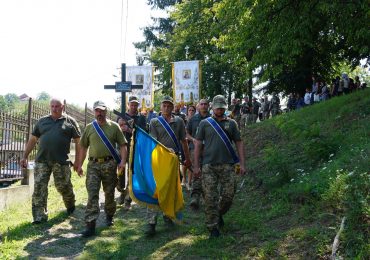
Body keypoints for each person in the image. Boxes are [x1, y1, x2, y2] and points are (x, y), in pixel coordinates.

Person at [20, 98, 81, 224]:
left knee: (63, 186)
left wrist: (78, 162)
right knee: (39, 188)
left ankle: (70, 204)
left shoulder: (70, 122)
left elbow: (78, 142)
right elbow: (32, 140)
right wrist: (25, 156)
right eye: (52, 106)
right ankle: (39, 217)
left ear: (62, 106)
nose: (54, 108)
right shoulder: (42, 121)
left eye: (57, 106)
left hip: (61, 161)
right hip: (42, 160)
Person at [193, 95, 246, 239]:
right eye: (217, 107)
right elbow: (197, 145)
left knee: (228, 196)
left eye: (222, 107)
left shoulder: (232, 123)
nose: (220, 109)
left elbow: (239, 143)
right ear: (213, 107)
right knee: (210, 197)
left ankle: (218, 214)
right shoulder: (205, 123)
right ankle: (213, 228)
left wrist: (242, 163)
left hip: (227, 165)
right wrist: (196, 166)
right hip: (208, 165)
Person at [77, 101, 127, 237]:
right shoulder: (89, 128)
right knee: (92, 194)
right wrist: (79, 164)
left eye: (102, 111)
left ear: (106, 111)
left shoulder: (114, 126)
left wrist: (122, 161)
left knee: (109, 193)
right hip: (93, 165)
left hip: (109, 164)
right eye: (97, 111)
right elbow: (83, 147)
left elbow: (123, 145)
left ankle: (109, 216)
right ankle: (90, 225)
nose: (100, 113)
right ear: (94, 111)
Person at [145, 96, 191, 236]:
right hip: (159, 161)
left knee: (171, 190)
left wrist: (187, 159)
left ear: (173, 107)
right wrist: (165, 150)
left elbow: (184, 141)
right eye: (164, 105)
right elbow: (153, 141)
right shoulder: (154, 122)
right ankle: (151, 223)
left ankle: (168, 215)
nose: (166, 108)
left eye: (169, 105)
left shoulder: (179, 121)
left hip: (174, 160)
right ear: (161, 107)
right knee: (156, 190)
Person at [117, 96, 147, 209]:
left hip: (135, 148)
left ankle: (128, 199)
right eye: (132, 104)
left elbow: (144, 132)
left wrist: (129, 130)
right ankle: (122, 192)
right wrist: (120, 125)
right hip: (121, 148)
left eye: (136, 105)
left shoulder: (142, 118)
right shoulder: (120, 116)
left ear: (138, 105)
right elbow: (115, 129)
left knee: (131, 173)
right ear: (128, 105)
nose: (134, 107)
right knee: (120, 172)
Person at [186, 99, 211, 210]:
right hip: (195, 149)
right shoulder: (193, 119)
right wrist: (193, 140)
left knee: (208, 172)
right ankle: (195, 197)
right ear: (198, 106)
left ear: (208, 106)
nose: (204, 106)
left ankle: (207, 197)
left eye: (205, 104)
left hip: (209, 150)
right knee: (196, 171)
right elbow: (186, 133)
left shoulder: (212, 118)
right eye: (202, 104)